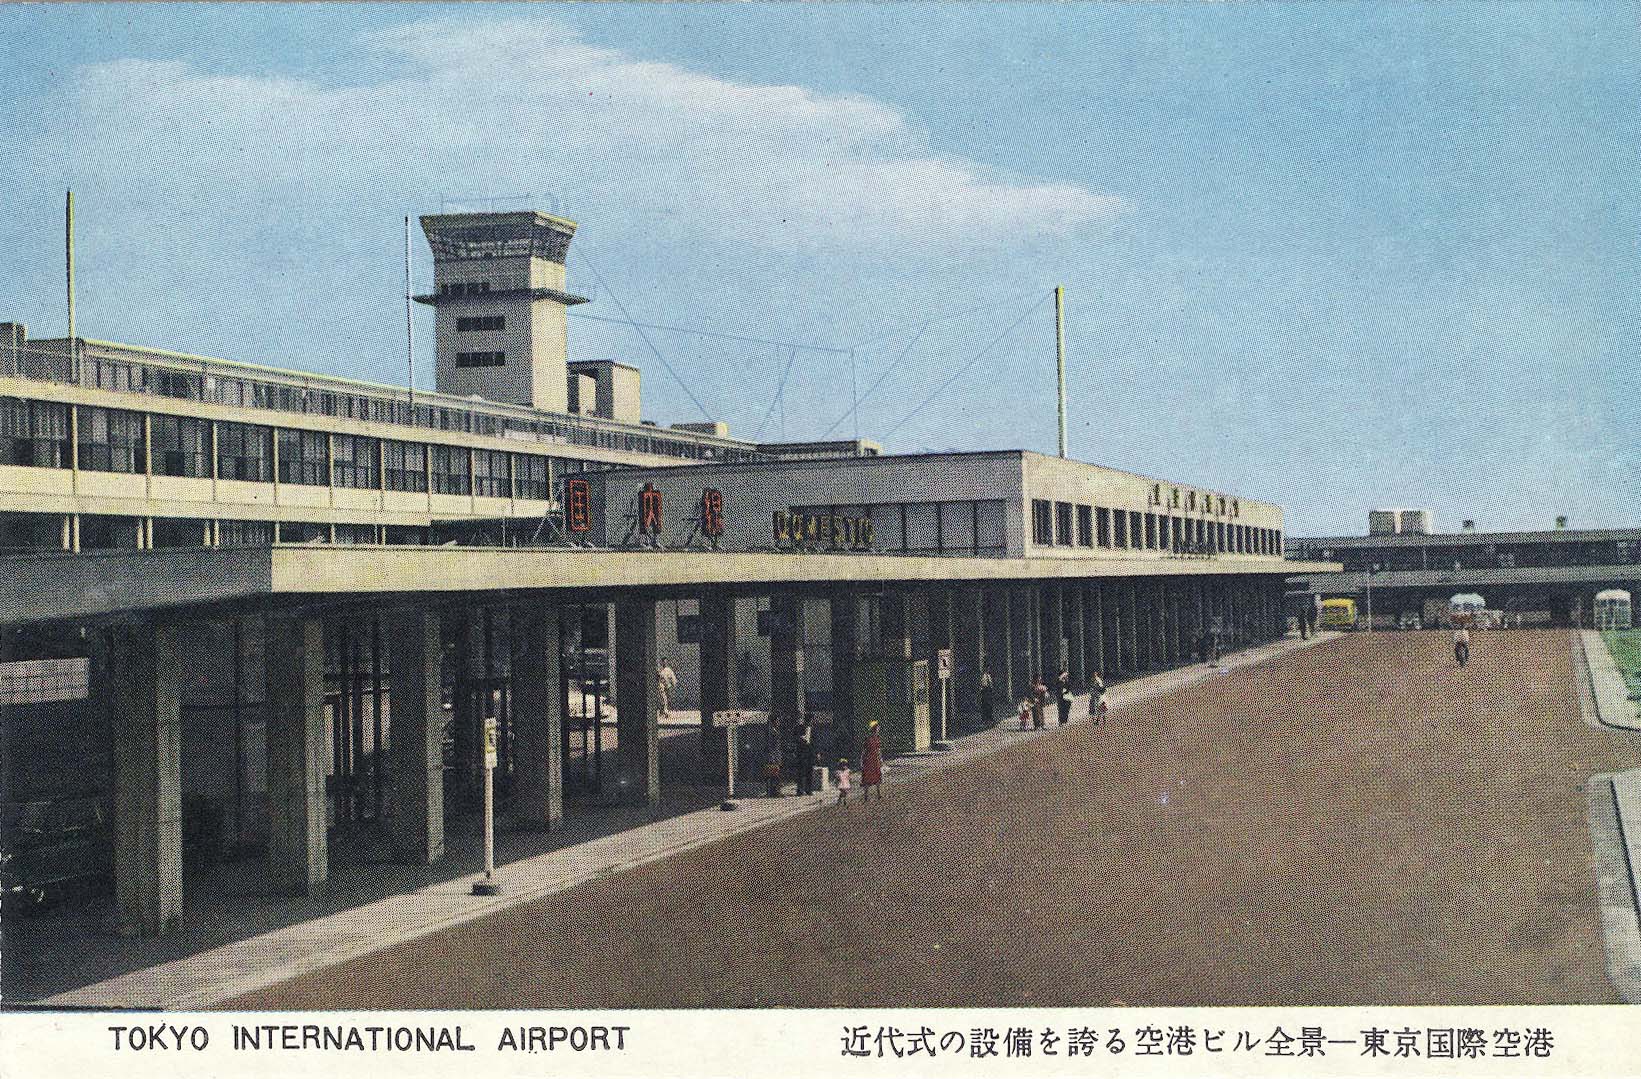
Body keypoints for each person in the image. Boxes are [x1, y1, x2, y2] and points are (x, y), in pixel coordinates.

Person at [862, 720, 883, 802]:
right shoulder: (868, 738)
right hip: (868, 759)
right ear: (874, 729)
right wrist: (861, 760)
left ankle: (879, 794)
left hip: (875, 759)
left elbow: (879, 750)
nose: (878, 730)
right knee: (868, 777)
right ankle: (866, 795)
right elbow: (864, 750)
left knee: (877, 775)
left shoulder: (878, 738)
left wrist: (881, 759)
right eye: (877, 728)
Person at [795, 718, 816, 796]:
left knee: (809, 772)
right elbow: (795, 738)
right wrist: (801, 739)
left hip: (810, 753)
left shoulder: (813, 730)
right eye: (809, 721)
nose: (810, 723)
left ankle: (809, 790)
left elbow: (815, 741)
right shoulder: (800, 728)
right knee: (801, 772)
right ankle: (800, 790)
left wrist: (817, 753)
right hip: (802, 753)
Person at [764, 717, 783, 798]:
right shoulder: (770, 732)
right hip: (773, 756)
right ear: (773, 722)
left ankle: (775, 791)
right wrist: (773, 757)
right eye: (777, 721)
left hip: (776, 755)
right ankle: (773, 792)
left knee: (775, 774)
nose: (778, 723)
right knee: (773, 774)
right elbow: (771, 746)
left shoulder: (775, 730)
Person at [656, 657, 677, 722]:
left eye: (665, 662)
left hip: (668, 686)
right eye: (663, 662)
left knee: (667, 699)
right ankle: (665, 712)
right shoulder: (660, 670)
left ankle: (663, 712)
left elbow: (672, 677)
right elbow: (657, 677)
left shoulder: (668, 670)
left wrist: (674, 683)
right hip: (661, 686)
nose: (664, 663)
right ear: (662, 662)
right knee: (664, 699)